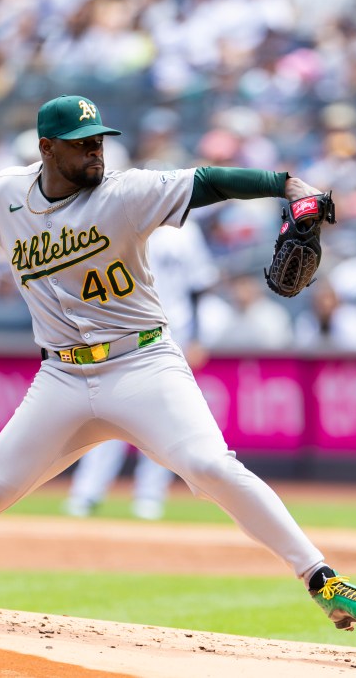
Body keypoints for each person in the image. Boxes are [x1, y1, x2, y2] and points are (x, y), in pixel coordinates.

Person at [0, 94, 356, 632]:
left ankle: (325, 582)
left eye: (99, 140)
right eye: (82, 142)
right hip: (61, 378)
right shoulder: (6, 194)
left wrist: (287, 185)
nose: (96, 150)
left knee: (213, 467)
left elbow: (208, 181)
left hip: (142, 364)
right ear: (47, 148)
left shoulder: (125, 191)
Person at [65, 220, 217, 521]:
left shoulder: (186, 231)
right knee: (108, 411)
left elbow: (198, 286)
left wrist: (198, 336)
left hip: (175, 331)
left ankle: (149, 494)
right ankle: (88, 491)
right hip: (127, 329)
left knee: (165, 418)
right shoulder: (123, 219)